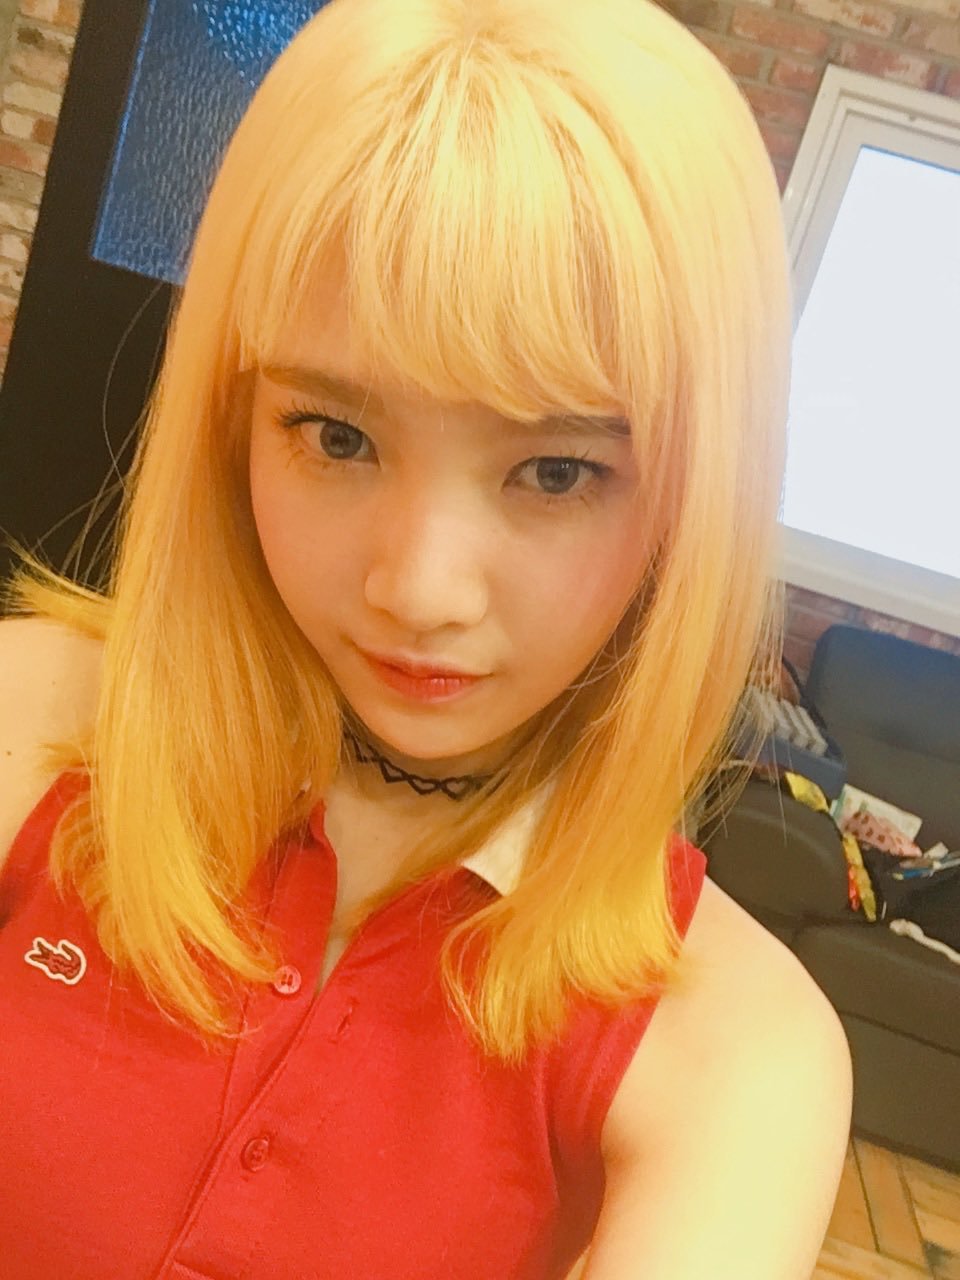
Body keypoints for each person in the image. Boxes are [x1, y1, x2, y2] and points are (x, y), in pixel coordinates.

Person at [0, 1, 853, 1276]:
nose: (420, 589)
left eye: (556, 471)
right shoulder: (33, 723)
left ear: (692, 497)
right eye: (337, 436)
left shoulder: (735, 1047)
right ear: (234, 415)